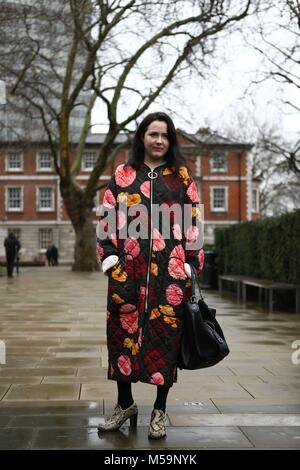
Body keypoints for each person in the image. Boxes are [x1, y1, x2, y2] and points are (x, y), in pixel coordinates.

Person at [96, 112, 205, 439]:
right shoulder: (123, 174)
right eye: (153, 134)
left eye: (165, 135)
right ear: (142, 136)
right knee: (121, 337)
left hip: (169, 278)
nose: (159, 140)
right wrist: (110, 259)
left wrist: (189, 265)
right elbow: (107, 218)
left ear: (170, 141)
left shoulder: (181, 178)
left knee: (165, 341)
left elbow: (194, 225)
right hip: (127, 273)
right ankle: (124, 404)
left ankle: (160, 411)